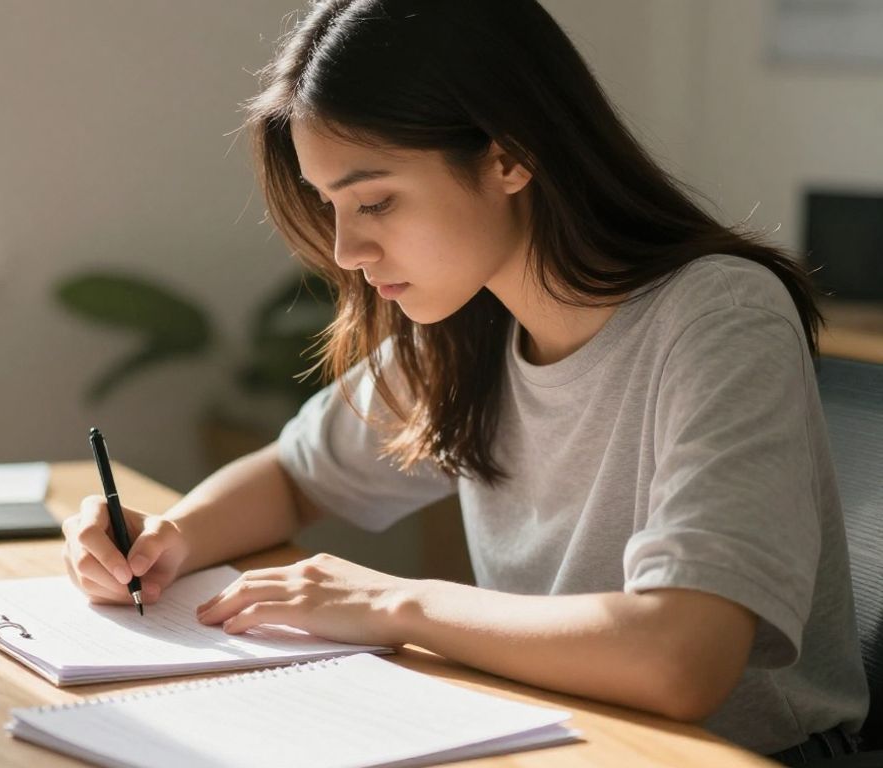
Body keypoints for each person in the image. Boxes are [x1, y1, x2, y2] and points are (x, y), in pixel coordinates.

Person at [60, 0, 868, 762]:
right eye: (329, 205)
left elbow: (681, 659)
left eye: (376, 201)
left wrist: (392, 605)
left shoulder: (719, 316)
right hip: (555, 734)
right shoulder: (470, 326)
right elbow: (295, 478)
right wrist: (167, 539)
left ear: (509, 155)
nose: (345, 251)